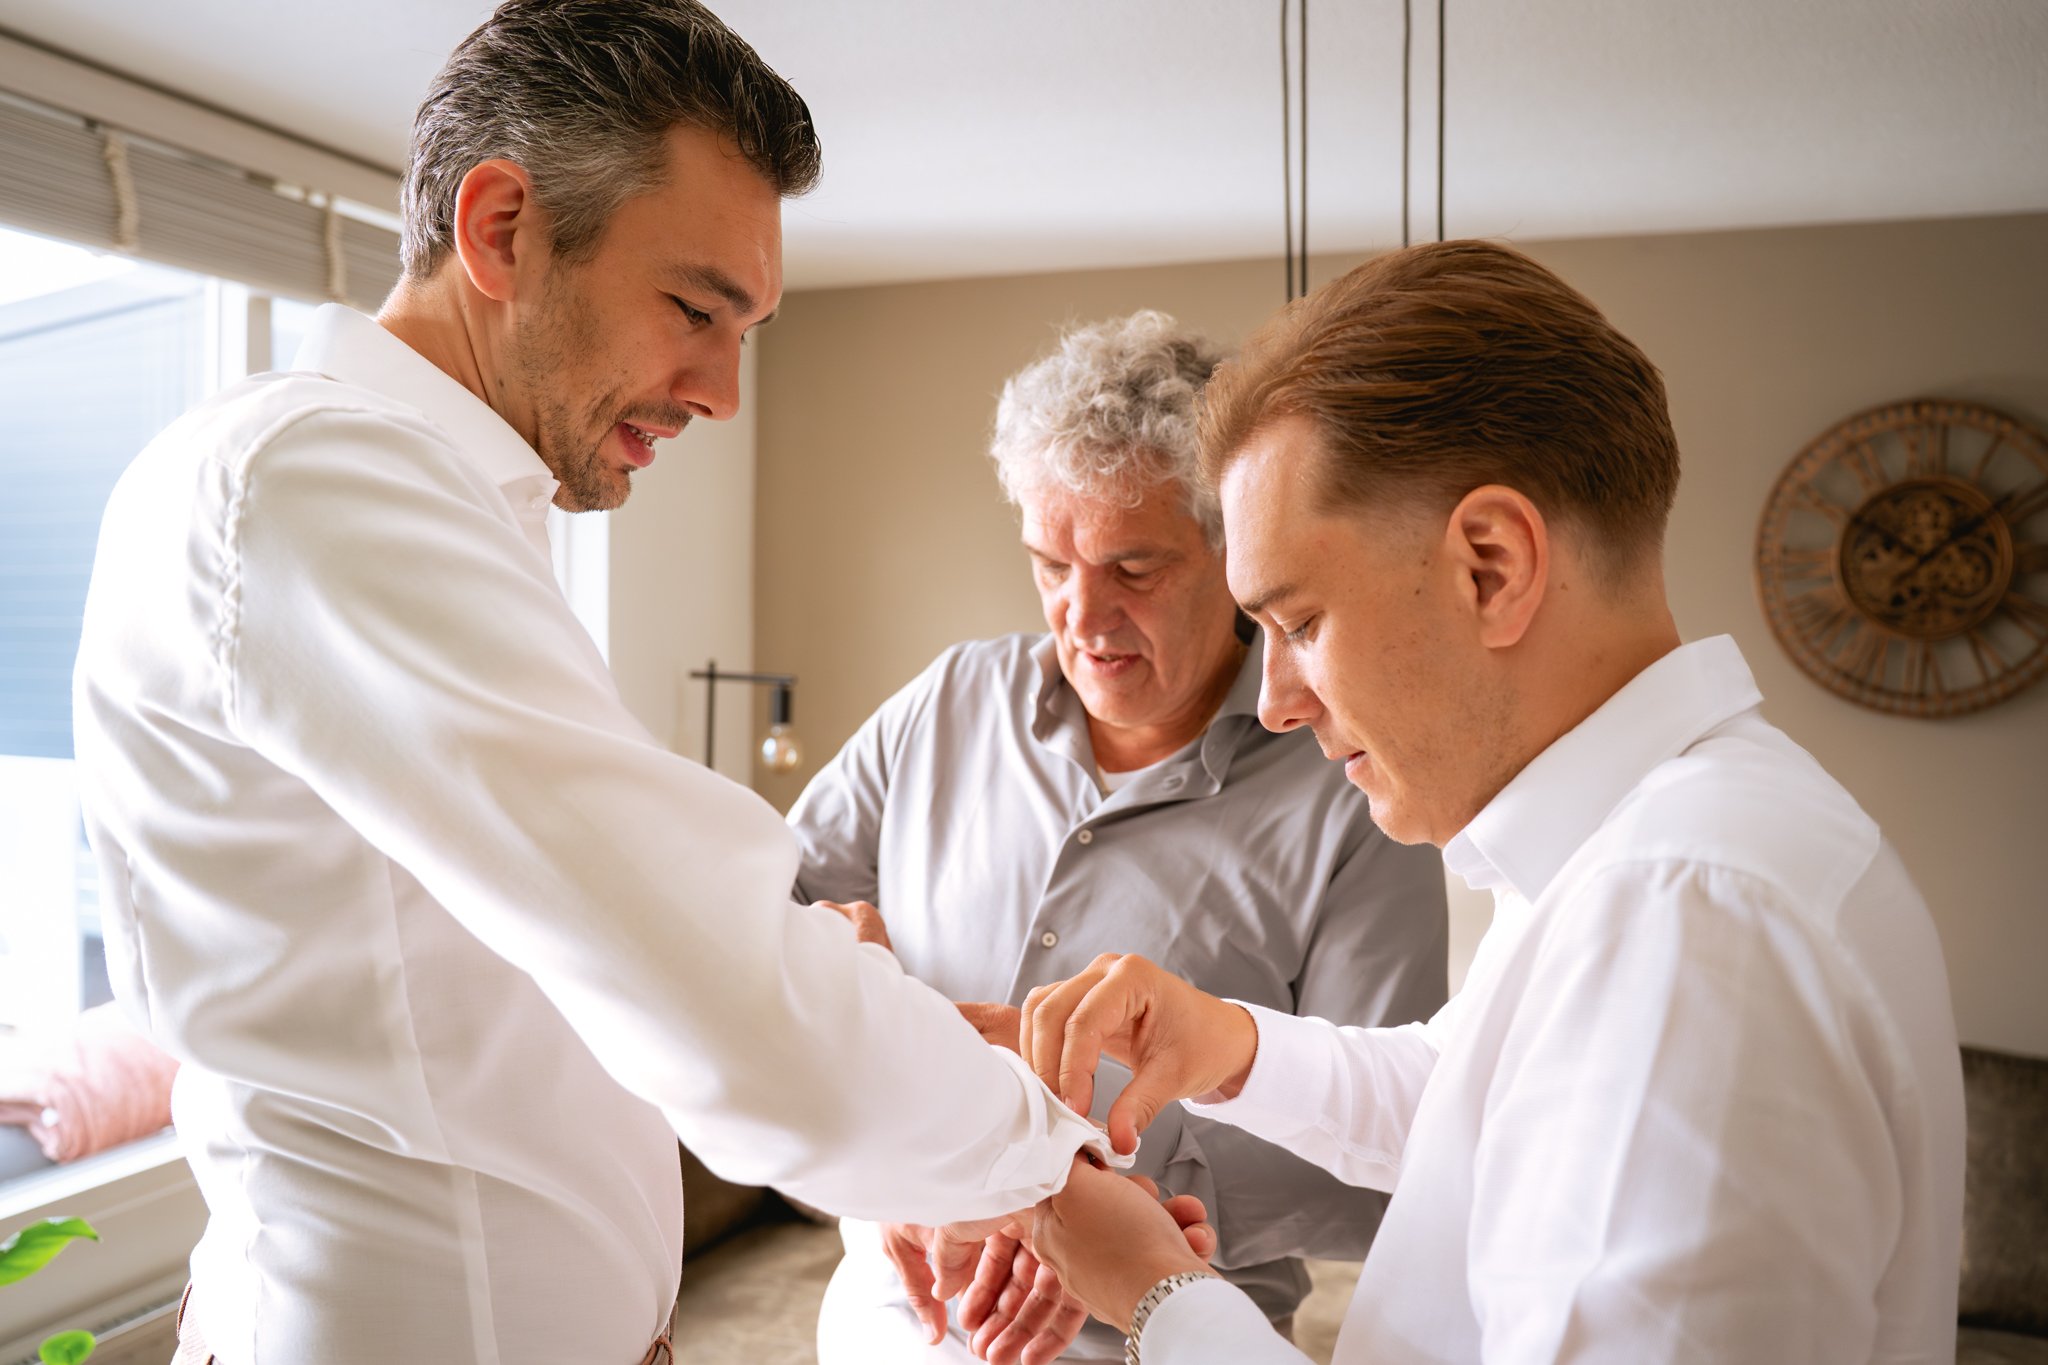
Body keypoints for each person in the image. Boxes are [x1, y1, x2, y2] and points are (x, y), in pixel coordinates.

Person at [71, 5, 1144, 1362]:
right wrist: (1036, 1159)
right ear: (503, 228)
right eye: (695, 309)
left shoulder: (454, 507)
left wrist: (888, 1031)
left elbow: (562, 967)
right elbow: (720, 989)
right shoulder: (314, 486)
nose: (724, 392)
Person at [1012, 241, 1966, 1363]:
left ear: (1492, 566)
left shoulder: (1680, 917)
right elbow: (1476, 1096)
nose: (1272, 702)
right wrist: (1224, 1045)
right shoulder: (1650, 854)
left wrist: (1159, 1296)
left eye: (1300, 624)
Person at [790, 311, 1449, 1363]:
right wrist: (834, 961)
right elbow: (763, 927)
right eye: (1050, 563)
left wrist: (1073, 1181)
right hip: (890, 1306)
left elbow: (1376, 1154)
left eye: (1132, 570)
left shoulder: (1353, 789)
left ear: (1232, 557)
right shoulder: (945, 702)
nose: (1082, 617)